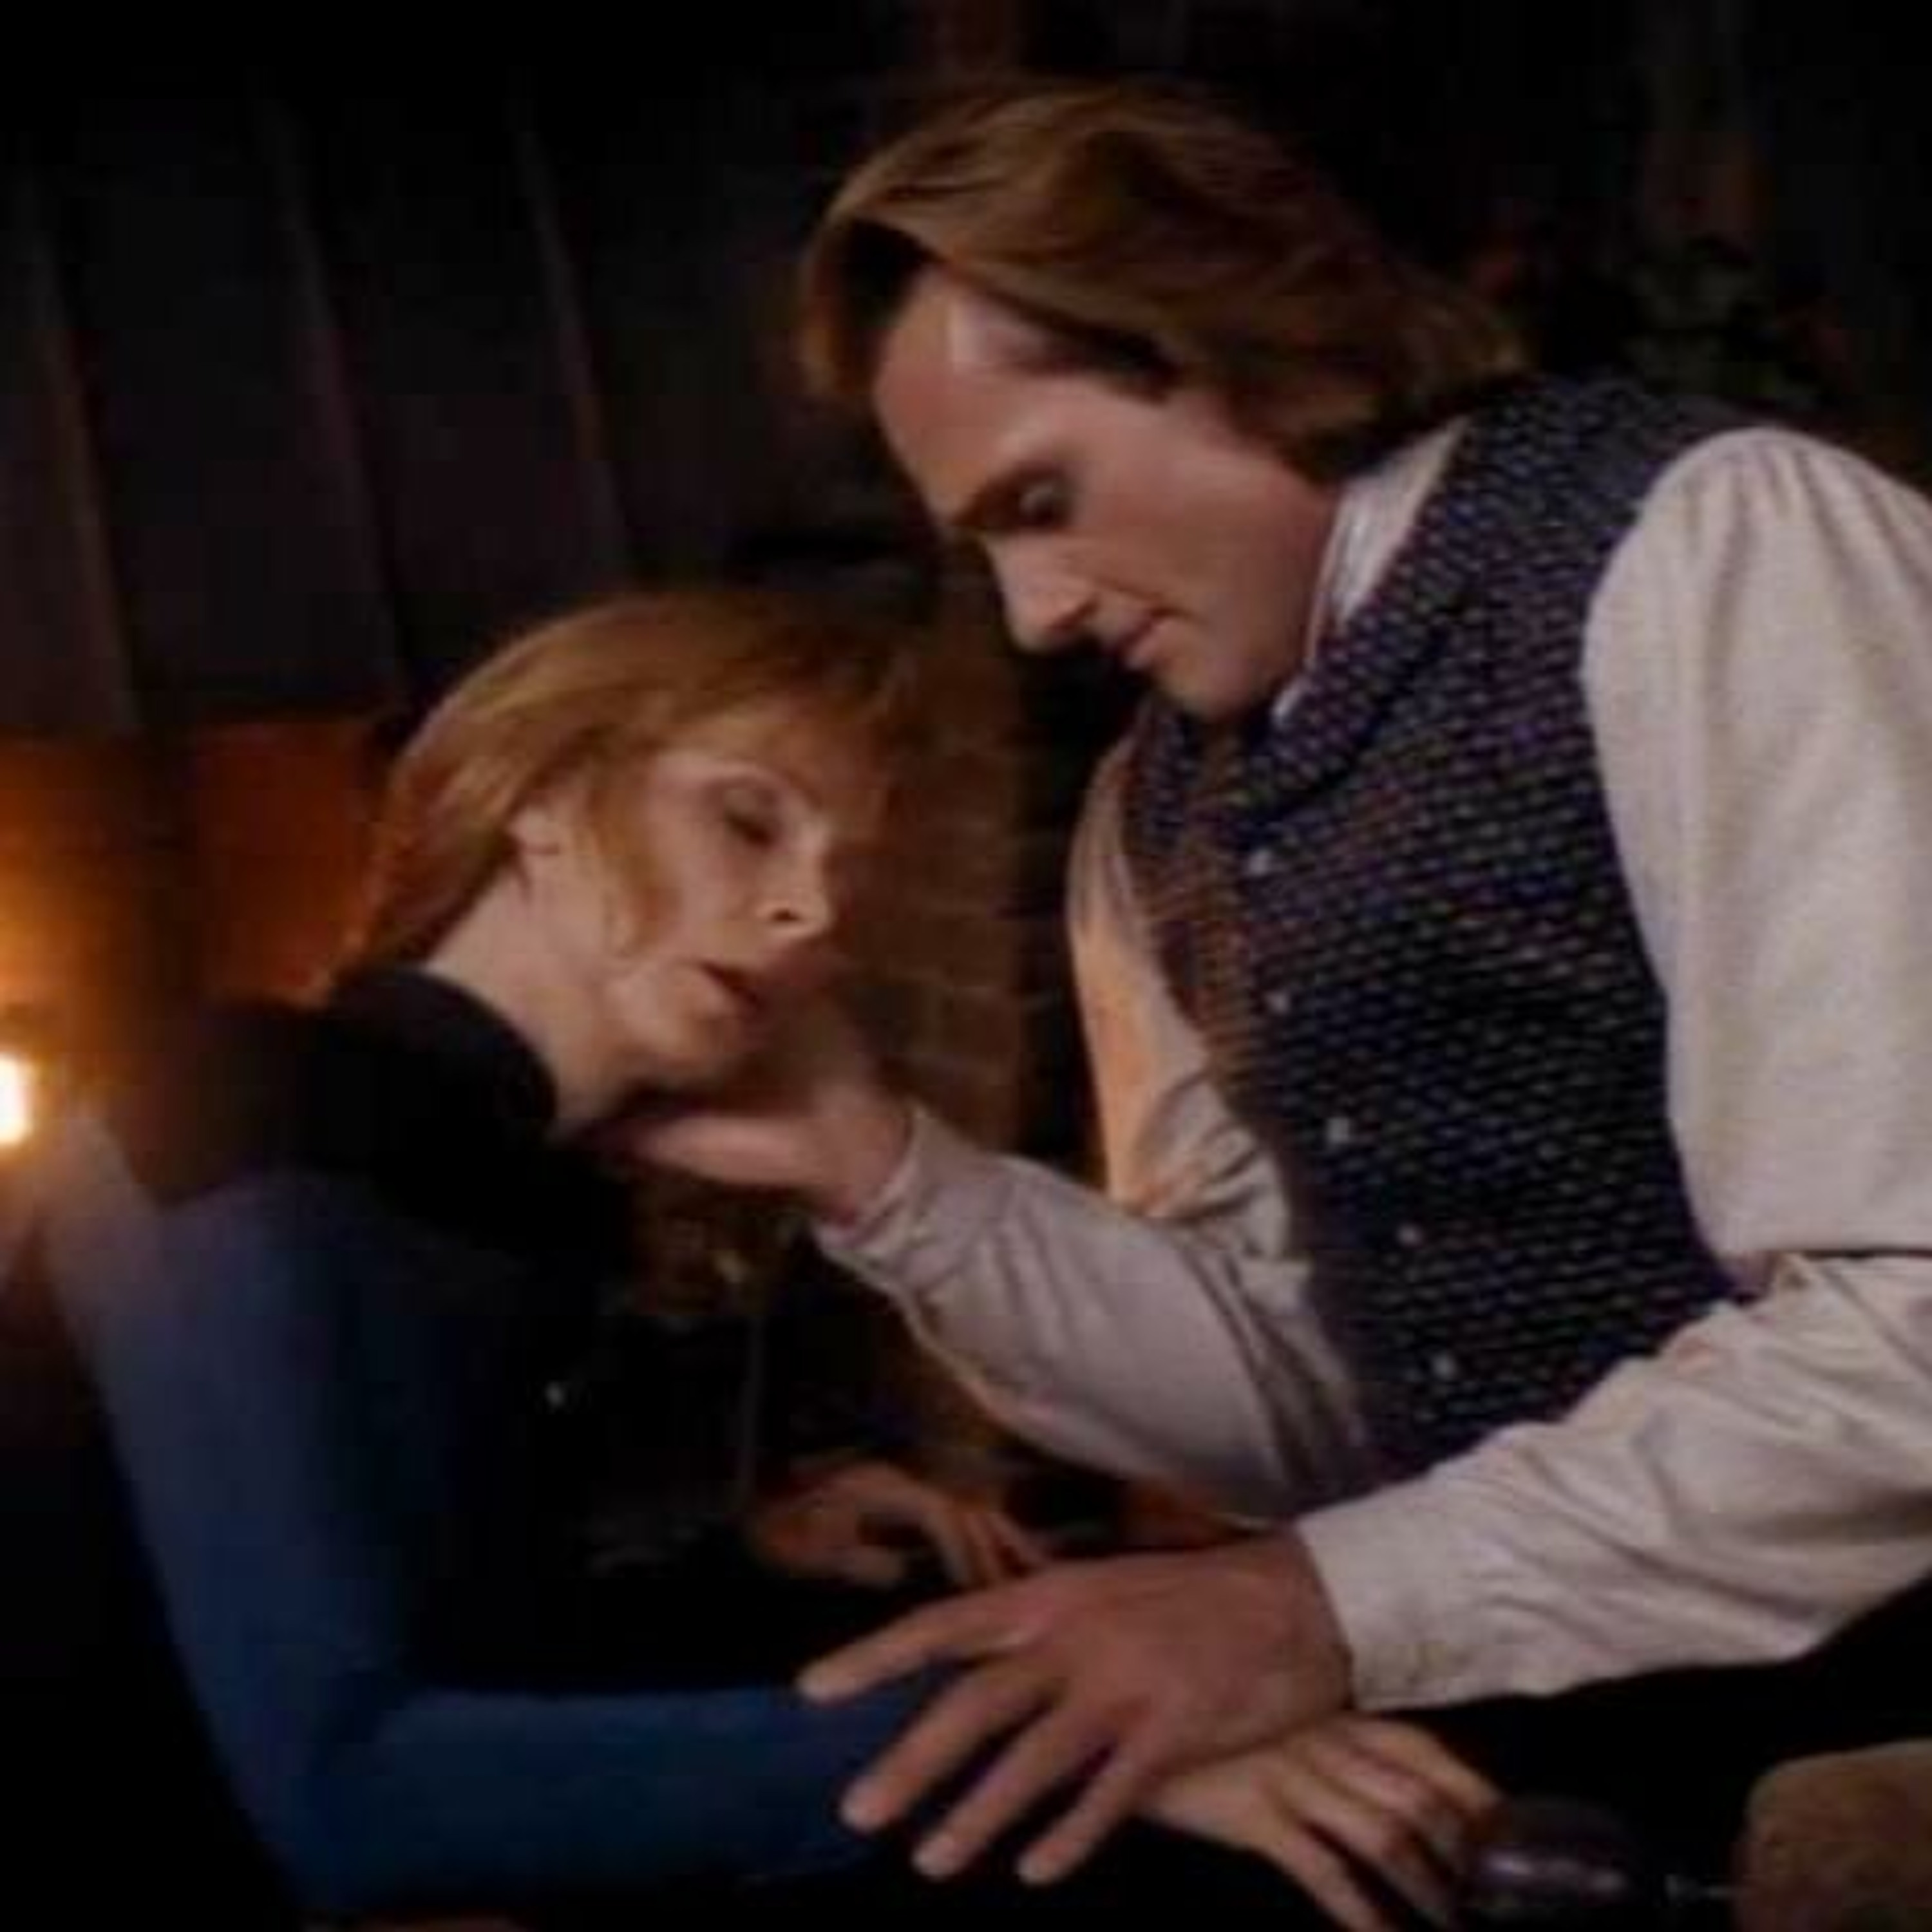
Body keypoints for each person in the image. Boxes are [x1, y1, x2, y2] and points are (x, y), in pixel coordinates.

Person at [629, 76, 1932, 1918]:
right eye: (982, 546)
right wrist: (877, 1169)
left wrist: (1307, 1606)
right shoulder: (1150, 811)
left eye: (1042, 503)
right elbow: (1315, 1401)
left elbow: (1917, 1317)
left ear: (1236, 350)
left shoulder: (1713, 548)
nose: (1034, 614)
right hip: (1558, 1704)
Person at [0, 586, 1059, 1925]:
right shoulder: (245, 1112)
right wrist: (1043, 1736)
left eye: (848, 881)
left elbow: (444, 1633)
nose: (809, 916)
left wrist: (750, 1560)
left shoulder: (524, 1187)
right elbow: (352, 1789)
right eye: (747, 821)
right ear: (543, 794)